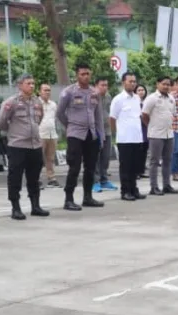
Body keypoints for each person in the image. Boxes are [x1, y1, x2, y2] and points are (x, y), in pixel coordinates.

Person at [0, 74, 50, 220]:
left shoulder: (37, 102)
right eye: (28, 83)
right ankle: (16, 207)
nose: (32, 86)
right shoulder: (11, 102)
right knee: (15, 177)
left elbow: (39, 119)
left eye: (33, 83)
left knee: (34, 177)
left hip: (35, 145)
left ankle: (35, 206)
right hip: (17, 145)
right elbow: (1, 122)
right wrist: (16, 133)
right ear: (20, 85)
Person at [56, 63, 105, 211]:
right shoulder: (69, 92)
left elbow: (99, 116)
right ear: (77, 75)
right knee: (74, 167)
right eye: (82, 74)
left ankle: (87, 197)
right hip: (75, 134)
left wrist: (100, 135)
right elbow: (59, 113)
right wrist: (70, 126)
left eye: (88, 74)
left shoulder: (94, 93)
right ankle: (68, 199)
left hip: (92, 134)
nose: (86, 76)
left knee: (90, 168)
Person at [110, 72, 145, 201]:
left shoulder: (137, 98)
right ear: (123, 82)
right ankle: (125, 191)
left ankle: (134, 189)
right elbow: (112, 118)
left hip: (137, 137)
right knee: (125, 166)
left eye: (134, 81)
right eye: (130, 81)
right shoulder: (118, 99)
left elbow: (138, 116)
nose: (132, 83)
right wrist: (116, 133)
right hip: (124, 139)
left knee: (135, 166)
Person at [142, 76, 178, 196]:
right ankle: (154, 187)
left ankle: (166, 185)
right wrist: (151, 126)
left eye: (168, 84)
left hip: (169, 134)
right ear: (157, 84)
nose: (166, 86)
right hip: (156, 135)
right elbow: (144, 115)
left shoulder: (171, 99)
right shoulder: (152, 98)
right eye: (164, 84)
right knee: (154, 161)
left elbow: (172, 114)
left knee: (168, 160)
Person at [93, 78, 118, 193]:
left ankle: (104, 179)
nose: (104, 87)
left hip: (106, 130)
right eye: (102, 85)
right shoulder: (91, 96)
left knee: (105, 156)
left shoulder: (108, 97)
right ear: (96, 85)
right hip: (95, 130)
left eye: (106, 85)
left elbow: (110, 112)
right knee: (95, 157)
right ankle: (95, 181)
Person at [38, 83, 60, 188]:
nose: (47, 92)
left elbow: (55, 118)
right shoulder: (36, 103)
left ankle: (51, 178)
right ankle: (36, 179)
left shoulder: (53, 104)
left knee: (50, 158)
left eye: (49, 90)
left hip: (52, 134)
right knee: (38, 158)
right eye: (45, 90)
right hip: (40, 134)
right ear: (40, 92)